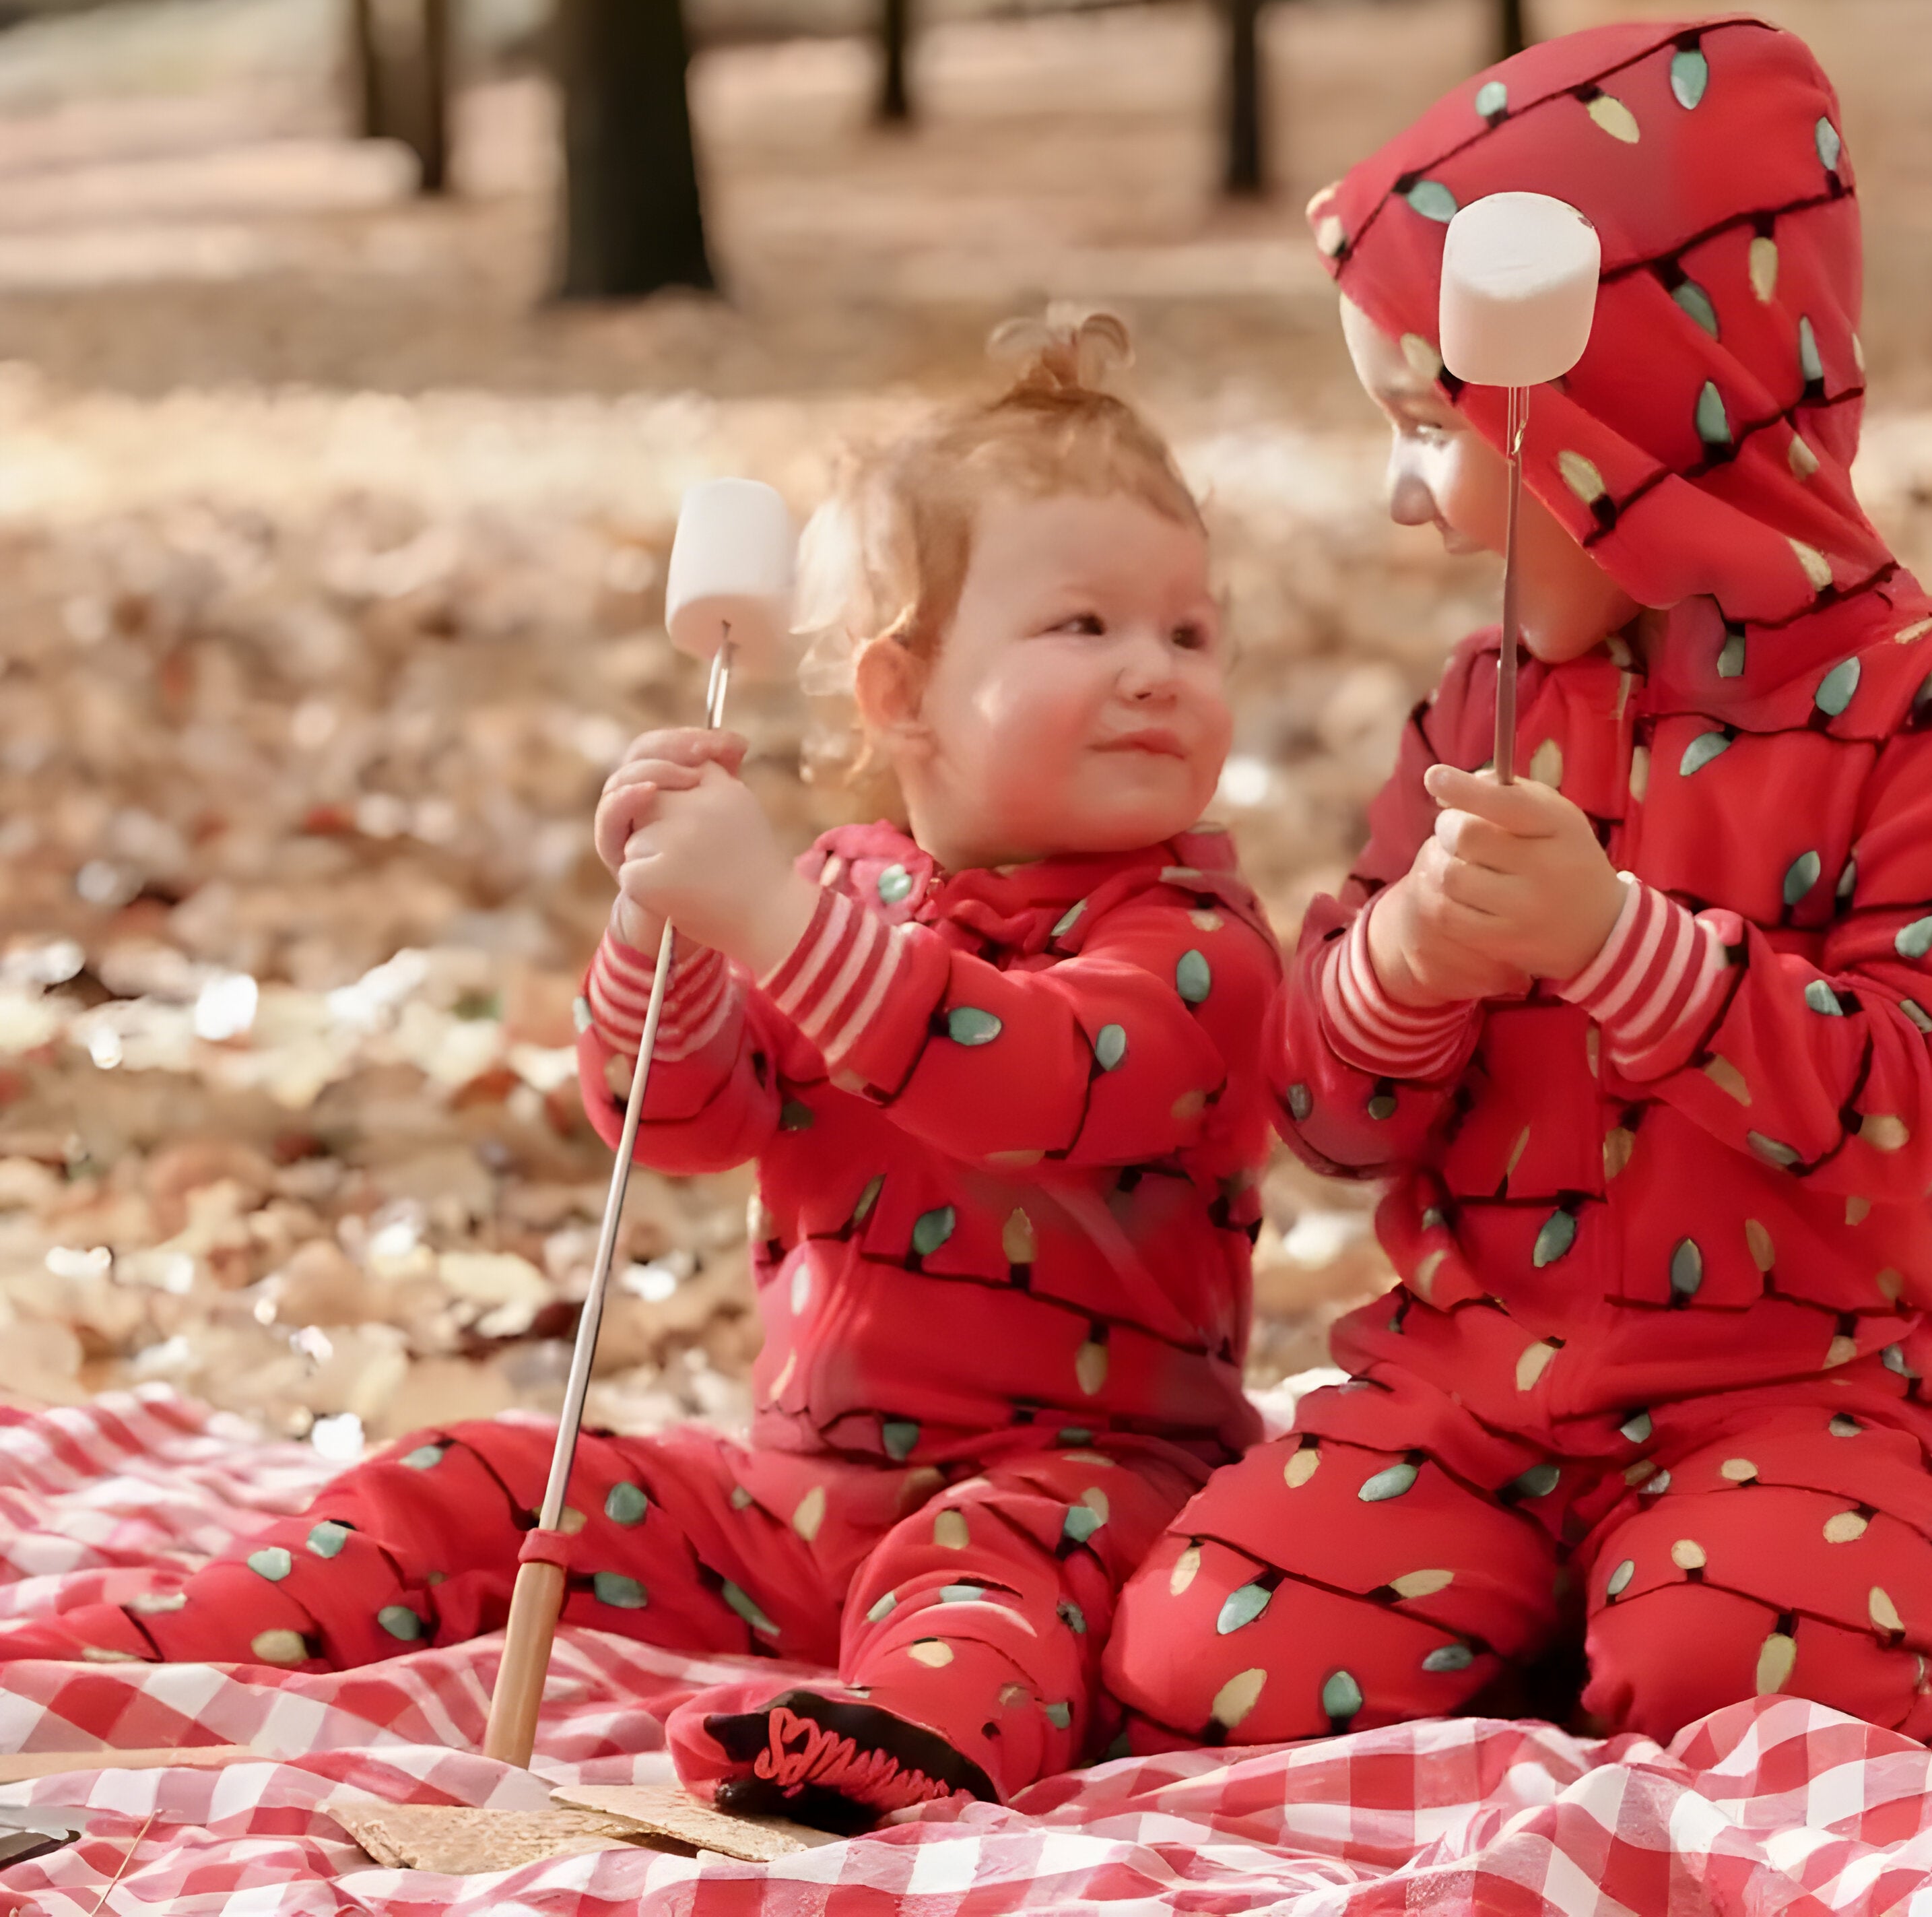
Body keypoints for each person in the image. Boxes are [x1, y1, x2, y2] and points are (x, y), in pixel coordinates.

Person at [13, 312, 1279, 1826]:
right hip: (790, 1496)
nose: (1153, 669)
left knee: (994, 1574)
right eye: (1086, 627)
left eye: (1189, 633)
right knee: (476, 1482)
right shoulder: (838, 888)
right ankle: (127, 1662)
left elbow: (1029, 1085)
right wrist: (657, 930)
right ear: (900, 696)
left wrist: (765, 915)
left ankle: (884, 1751)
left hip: (1090, 1477)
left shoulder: (1195, 939)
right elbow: (678, 1118)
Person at [1104, 18, 1932, 1758]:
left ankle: (1692, 1599)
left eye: (1433, 426)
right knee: (1202, 1662)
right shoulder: (1482, 712)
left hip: (1789, 1394)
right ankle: (1569, 1603)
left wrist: (1624, 950)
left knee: (1759, 1696)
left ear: (1615, 412)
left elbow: (1921, 1101)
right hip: (1465, 1392)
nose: (1411, 505)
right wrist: (1403, 964)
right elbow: (1330, 1116)